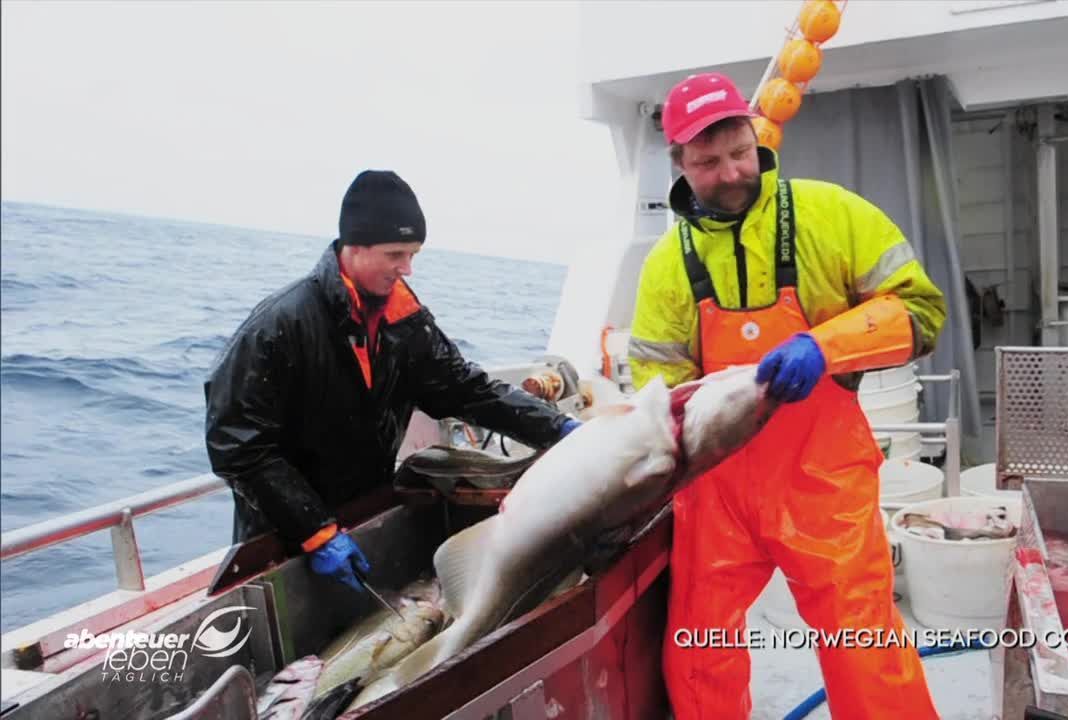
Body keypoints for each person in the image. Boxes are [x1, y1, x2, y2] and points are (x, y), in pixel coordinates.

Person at [628, 73, 947, 719]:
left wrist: (823, 347)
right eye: (708, 162)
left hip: (821, 476)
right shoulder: (667, 263)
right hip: (716, 488)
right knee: (699, 650)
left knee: (862, 644)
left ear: (756, 135)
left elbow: (922, 313)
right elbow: (655, 388)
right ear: (679, 166)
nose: (730, 171)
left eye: (739, 151)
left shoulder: (833, 214)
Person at [204, 170, 581, 592]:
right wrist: (314, 530)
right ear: (355, 246)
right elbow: (237, 444)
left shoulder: (406, 322)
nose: (408, 269)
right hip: (284, 539)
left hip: (366, 516)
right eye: (396, 254)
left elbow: (465, 389)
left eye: (414, 254)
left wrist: (556, 427)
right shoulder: (279, 325)